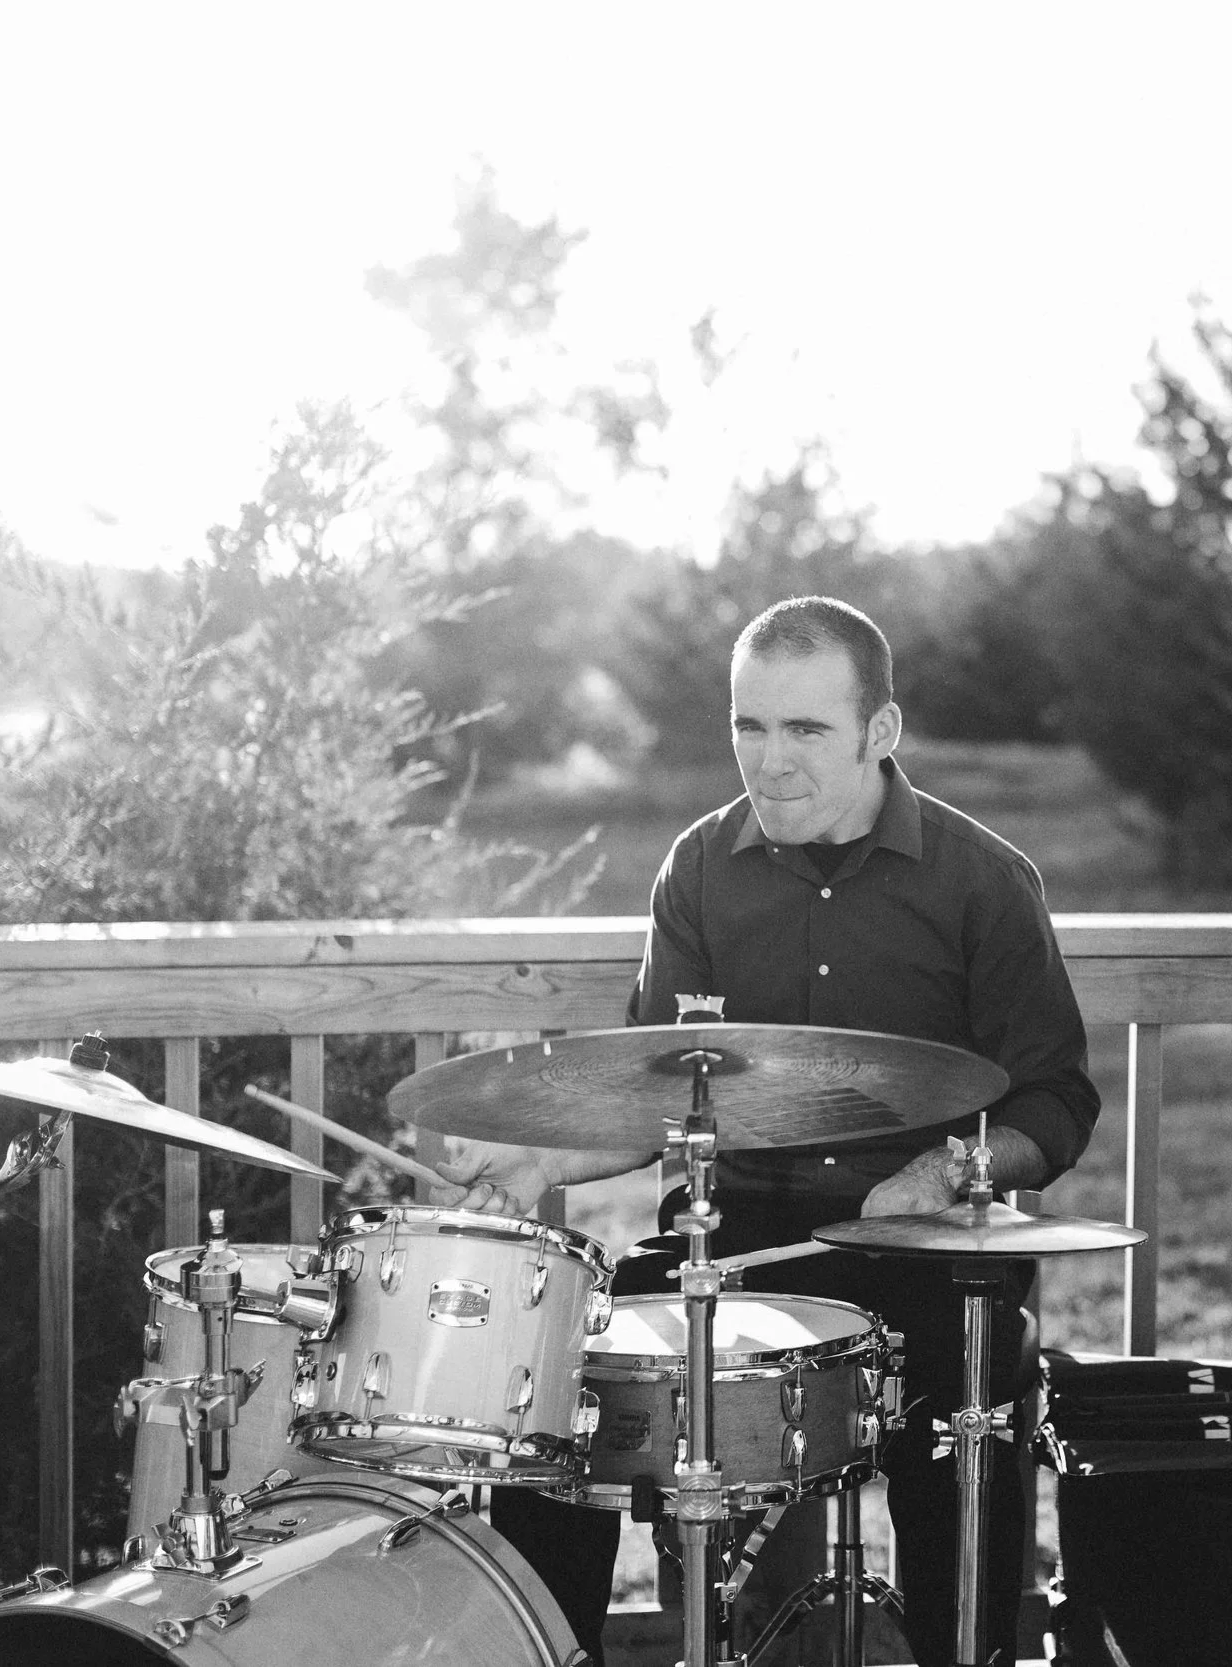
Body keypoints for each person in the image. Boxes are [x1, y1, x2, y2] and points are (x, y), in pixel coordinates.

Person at [435, 595, 1100, 1667]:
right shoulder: (700, 866)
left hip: (929, 1257)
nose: (769, 759)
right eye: (749, 724)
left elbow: (1056, 1100)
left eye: (805, 729)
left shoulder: (982, 879)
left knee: (968, 1413)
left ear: (880, 731)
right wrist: (537, 1158)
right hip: (736, 1239)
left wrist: (949, 1168)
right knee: (561, 1378)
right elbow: (660, 1089)